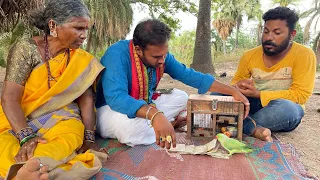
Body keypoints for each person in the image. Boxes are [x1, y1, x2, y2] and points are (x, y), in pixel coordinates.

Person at [95, 19, 249, 149]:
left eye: (164, 54)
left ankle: (161, 124)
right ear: (138, 50)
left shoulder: (161, 56)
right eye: (157, 56)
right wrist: (154, 114)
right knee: (130, 129)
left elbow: (190, 76)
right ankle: (167, 124)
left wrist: (232, 90)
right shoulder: (116, 55)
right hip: (109, 110)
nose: (162, 60)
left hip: (146, 106)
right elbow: (117, 98)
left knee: (181, 97)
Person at [0, 0, 108, 179]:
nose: (84, 35)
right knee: (4, 142)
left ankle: (32, 167)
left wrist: (89, 140)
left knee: (70, 136)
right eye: (78, 28)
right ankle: (26, 170)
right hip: (22, 117)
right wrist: (26, 137)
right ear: (52, 25)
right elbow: (10, 98)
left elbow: (87, 100)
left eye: (86, 29)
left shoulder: (82, 59)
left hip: (62, 117)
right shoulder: (26, 49)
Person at [231, 7, 316, 142]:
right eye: (266, 32)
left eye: (277, 33)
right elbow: (235, 83)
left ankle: (238, 123)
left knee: (289, 110)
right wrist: (238, 86)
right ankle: (252, 128)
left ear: (292, 34)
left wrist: (259, 94)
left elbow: (301, 95)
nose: (268, 38)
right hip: (252, 104)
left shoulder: (304, 55)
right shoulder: (249, 55)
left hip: (281, 109)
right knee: (218, 95)